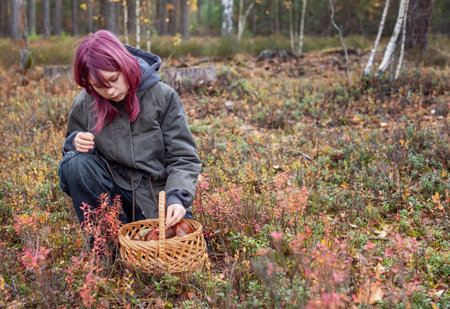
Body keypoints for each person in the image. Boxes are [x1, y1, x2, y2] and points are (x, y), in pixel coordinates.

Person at [58, 30, 201, 229]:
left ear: (124, 64)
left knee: (184, 249)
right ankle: (106, 246)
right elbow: (74, 162)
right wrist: (74, 143)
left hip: (156, 198)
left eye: (114, 79)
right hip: (111, 197)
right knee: (76, 165)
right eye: (99, 86)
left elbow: (184, 157)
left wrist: (177, 198)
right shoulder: (85, 102)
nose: (110, 91)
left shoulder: (163, 96)